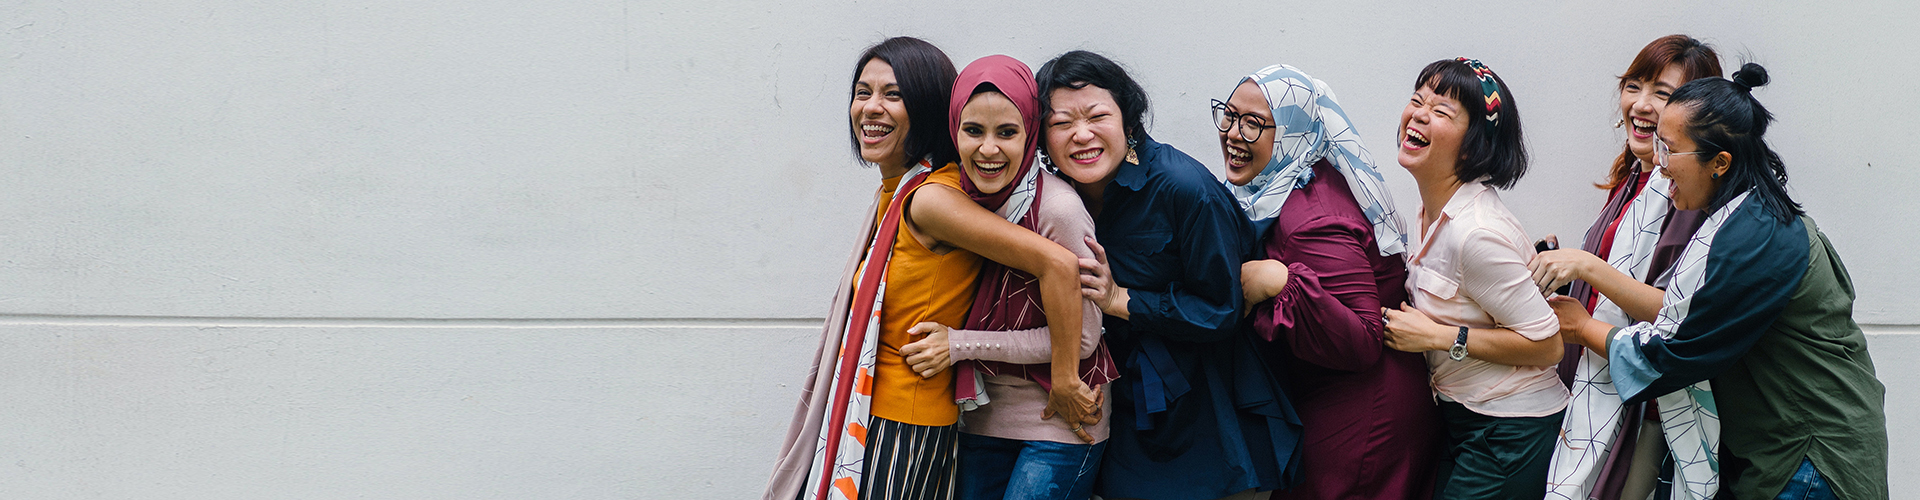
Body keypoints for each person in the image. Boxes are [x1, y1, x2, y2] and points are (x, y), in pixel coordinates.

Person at [764, 37, 1094, 500]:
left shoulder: (930, 199)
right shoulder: (900, 192)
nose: (872, 108)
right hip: (884, 419)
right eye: (863, 92)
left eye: (893, 95)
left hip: (900, 426)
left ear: (927, 110)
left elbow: (1056, 263)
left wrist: (1065, 380)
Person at [1550, 63, 1888, 500]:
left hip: (1810, 457)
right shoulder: (1739, 219)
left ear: (1720, 162)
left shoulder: (1755, 238)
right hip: (1777, 451)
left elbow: (1676, 348)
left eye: (1669, 150)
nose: (1660, 164)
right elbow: (1689, 312)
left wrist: (1582, 327)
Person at [1042, 50, 1300, 500]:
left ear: (1128, 117)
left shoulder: (1185, 188)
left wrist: (1122, 300)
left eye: (1097, 116)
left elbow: (1222, 309)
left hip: (1203, 410)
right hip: (1119, 406)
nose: (1081, 135)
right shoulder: (1056, 197)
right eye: (1062, 123)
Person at [895, 54, 1114, 500]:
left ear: (1031, 133)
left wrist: (957, 345)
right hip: (982, 416)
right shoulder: (958, 202)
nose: (989, 149)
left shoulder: (1057, 210)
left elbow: (1084, 338)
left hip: (1061, 419)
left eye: (1008, 132)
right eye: (973, 131)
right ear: (954, 130)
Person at [1218, 64, 1438, 500]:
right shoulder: (1287, 182)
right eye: (1228, 115)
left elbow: (1362, 338)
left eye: (1255, 124)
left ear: (1292, 133)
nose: (1232, 134)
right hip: (1346, 397)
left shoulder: (1310, 219)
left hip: (1363, 414)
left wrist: (1280, 280)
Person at [1533, 35, 1724, 500]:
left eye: (1663, 94)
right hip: (1601, 385)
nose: (1640, 105)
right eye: (1634, 85)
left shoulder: (1682, 190)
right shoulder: (1636, 177)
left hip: (1647, 409)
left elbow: (1680, 312)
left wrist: (1585, 268)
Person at [1378, 58, 1566, 499]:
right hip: (1463, 415)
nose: (1420, 114)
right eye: (1417, 100)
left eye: (1442, 111)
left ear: (1474, 146)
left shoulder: (1474, 232)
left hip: (1511, 428)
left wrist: (1440, 336)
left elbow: (1549, 345)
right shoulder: (1432, 211)